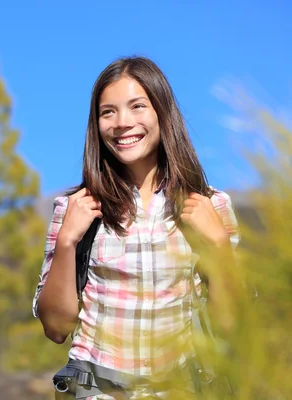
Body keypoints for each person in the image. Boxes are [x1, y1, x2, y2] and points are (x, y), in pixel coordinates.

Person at [32, 56, 240, 399]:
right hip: (94, 390)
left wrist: (219, 246)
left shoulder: (212, 206)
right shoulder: (74, 209)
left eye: (137, 106)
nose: (122, 123)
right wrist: (67, 241)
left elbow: (230, 324)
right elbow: (55, 327)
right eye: (108, 112)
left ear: (162, 112)